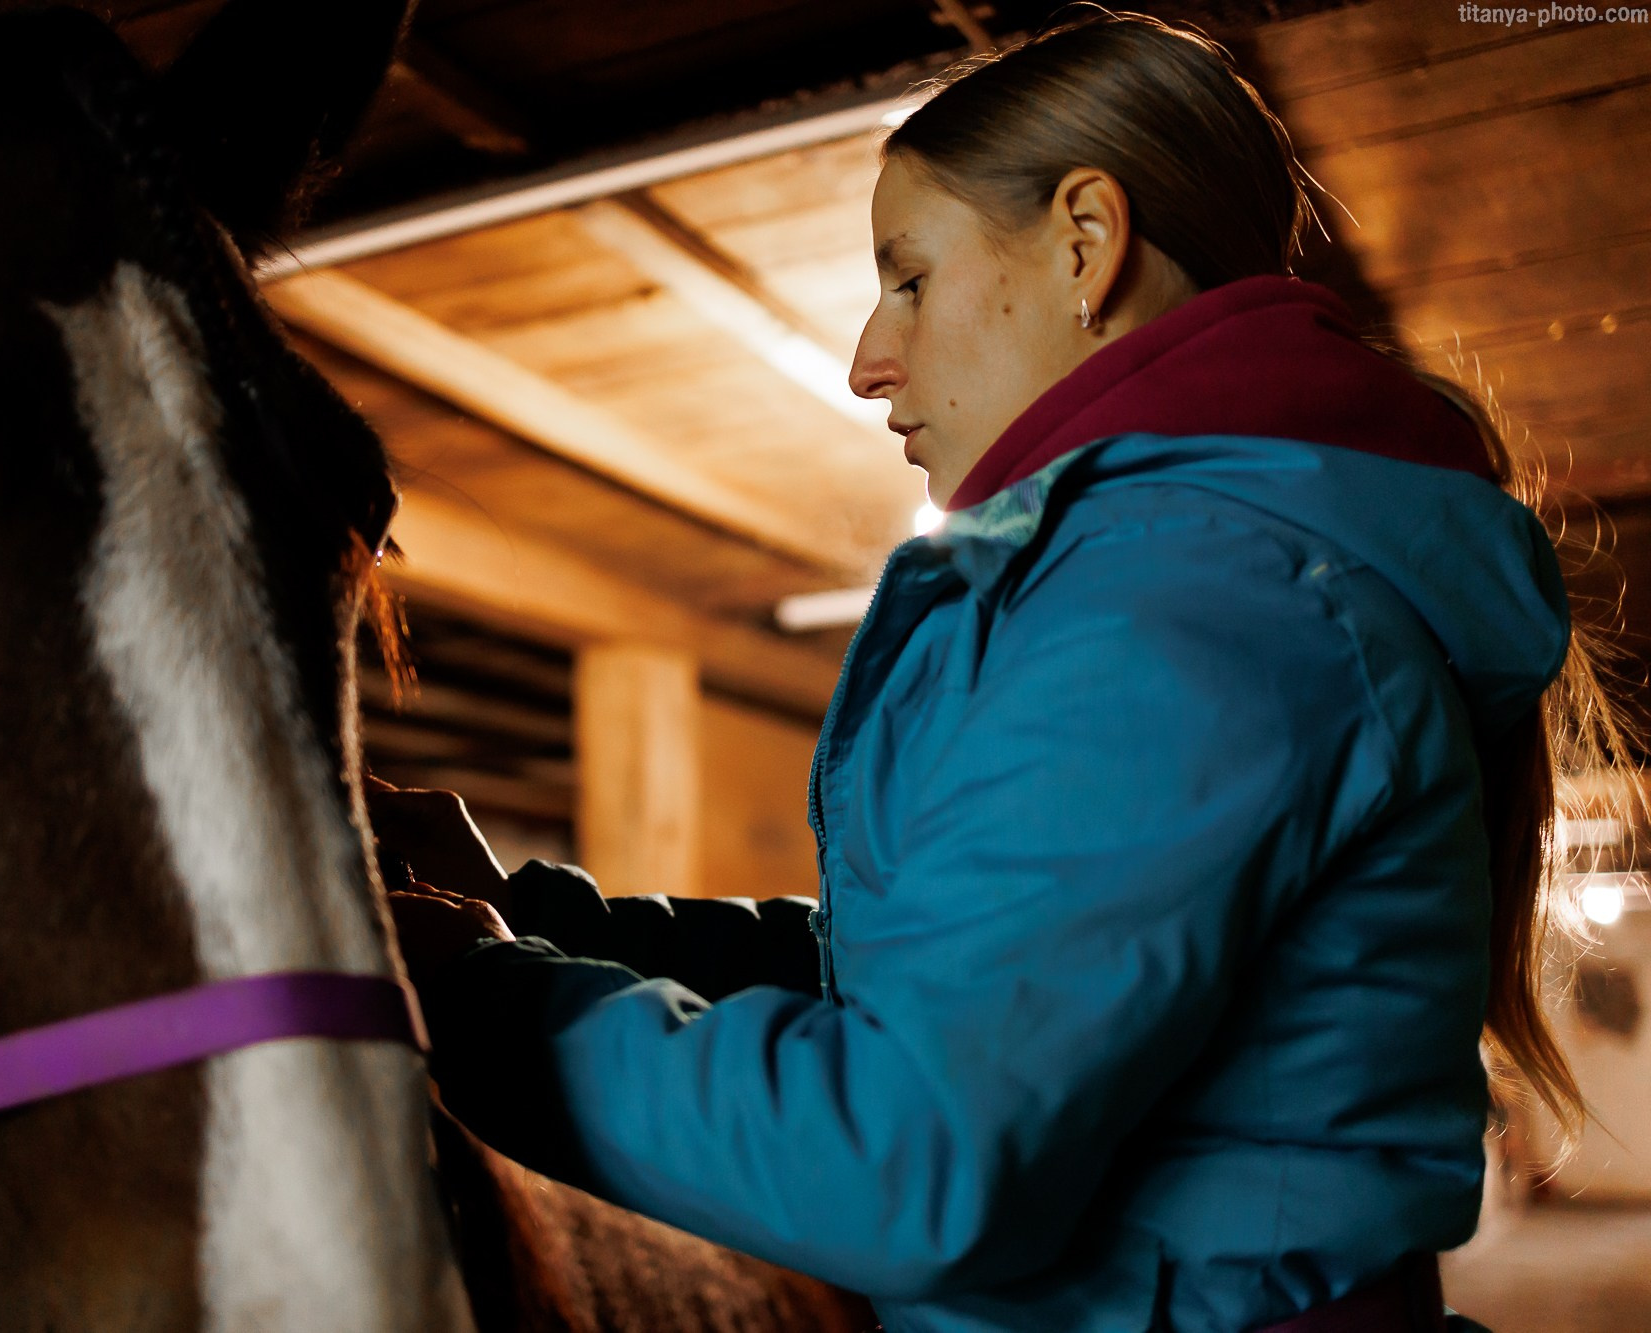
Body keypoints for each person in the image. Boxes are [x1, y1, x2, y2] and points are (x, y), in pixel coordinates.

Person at [370, 11, 1628, 1331]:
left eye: (908, 277)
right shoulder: (1214, 583)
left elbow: (914, 1164)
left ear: (1086, 243)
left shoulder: (1196, 609)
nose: (870, 359)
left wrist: (475, 997)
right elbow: (942, 978)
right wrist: (545, 924)